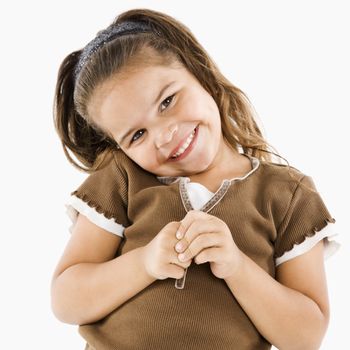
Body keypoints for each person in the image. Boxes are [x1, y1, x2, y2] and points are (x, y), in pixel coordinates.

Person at [50, 8, 340, 350]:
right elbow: (66, 300)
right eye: (137, 134)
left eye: (167, 101)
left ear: (198, 71)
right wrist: (144, 263)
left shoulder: (288, 195)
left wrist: (236, 266)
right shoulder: (123, 177)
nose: (164, 135)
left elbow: (305, 337)